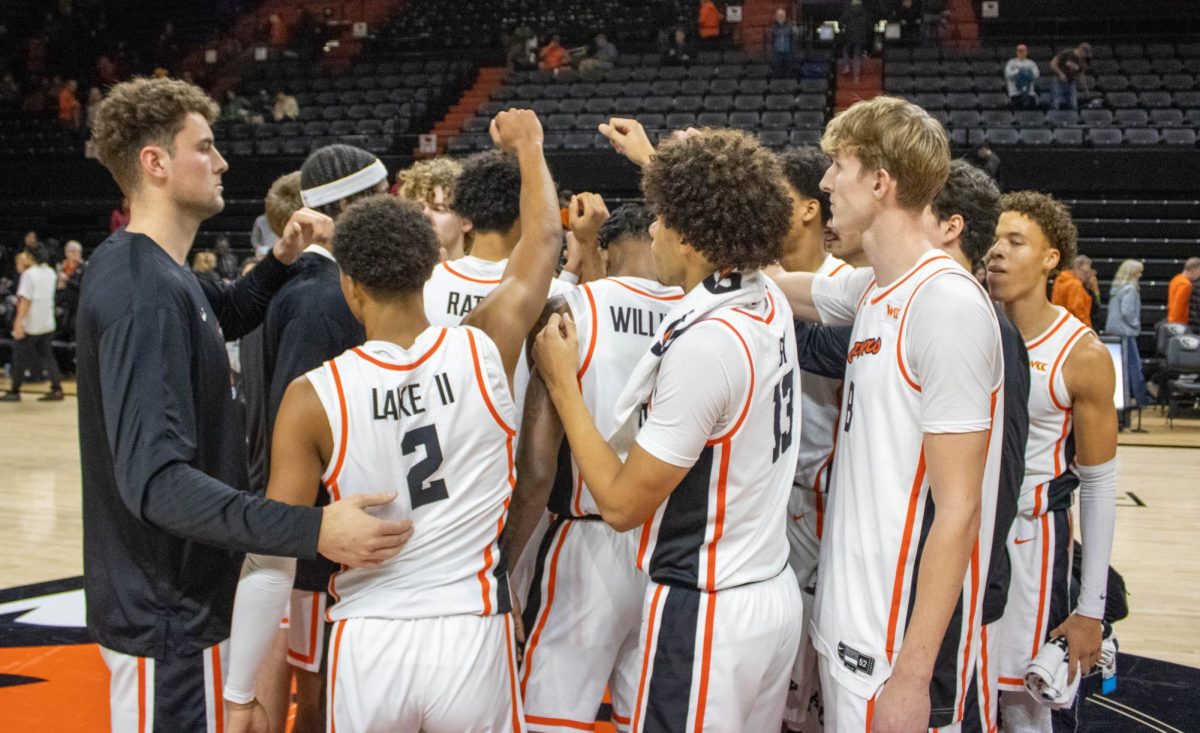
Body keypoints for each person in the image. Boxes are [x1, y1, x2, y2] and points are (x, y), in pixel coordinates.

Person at [81, 76, 410, 732]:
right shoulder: (144, 292)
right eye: (205, 147)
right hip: (166, 621)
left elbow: (224, 311)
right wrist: (312, 528)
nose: (223, 160)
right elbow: (159, 485)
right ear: (156, 162)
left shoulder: (157, 270)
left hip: (180, 607)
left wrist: (281, 257)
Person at [223, 108, 561, 733]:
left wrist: (241, 691)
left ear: (350, 287)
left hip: (370, 636)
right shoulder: (484, 346)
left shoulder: (312, 397)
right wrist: (529, 147)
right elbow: (542, 242)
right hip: (470, 630)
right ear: (431, 270)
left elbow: (271, 559)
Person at [540, 119, 803, 730]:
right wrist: (657, 163)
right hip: (766, 587)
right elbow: (720, 204)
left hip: (709, 606)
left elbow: (622, 505)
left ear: (692, 239)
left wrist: (562, 385)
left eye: (664, 219)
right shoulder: (765, 297)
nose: (652, 228)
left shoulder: (710, 345)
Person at [768, 96, 1004, 731]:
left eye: (837, 166)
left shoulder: (945, 304)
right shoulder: (874, 286)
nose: (823, 182)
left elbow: (959, 507)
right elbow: (784, 286)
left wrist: (913, 676)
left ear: (880, 181)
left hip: (898, 648)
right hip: (852, 625)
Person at [506, 201, 684, 732]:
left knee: (549, 719)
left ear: (602, 250)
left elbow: (538, 466)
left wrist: (504, 566)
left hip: (587, 546)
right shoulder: (698, 310)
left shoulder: (571, 308)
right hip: (672, 548)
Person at [248, 144, 386, 733]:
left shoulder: (304, 285)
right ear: (350, 204)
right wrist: (306, 531)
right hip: (318, 541)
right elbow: (295, 429)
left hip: (310, 535)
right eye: (380, 197)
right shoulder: (320, 297)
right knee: (323, 690)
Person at [985, 191, 1117, 732]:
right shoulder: (967, 322)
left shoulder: (1081, 354)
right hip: (967, 536)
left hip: (1034, 545)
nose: (996, 252)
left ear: (1050, 258)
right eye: (994, 240)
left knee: (1025, 711)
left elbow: (1100, 484)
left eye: (1015, 242)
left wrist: (1091, 609)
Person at [773, 146, 853, 733]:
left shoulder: (847, 284)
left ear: (806, 209)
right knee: (779, 676)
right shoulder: (762, 275)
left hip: (829, 499)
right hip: (771, 497)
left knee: (820, 672)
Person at [422, 150, 578, 428]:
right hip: (517, 453)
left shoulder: (425, 284)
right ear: (526, 212)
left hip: (441, 450)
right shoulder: (554, 294)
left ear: (466, 211)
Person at [1, 245, 63, 402]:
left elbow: (25, 300)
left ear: (32, 257)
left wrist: (18, 322)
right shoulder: (50, 272)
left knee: (20, 356)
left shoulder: (29, 274)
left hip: (32, 323)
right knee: (48, 356)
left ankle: (14, 389)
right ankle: (57, 388)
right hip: (47, 321)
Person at [395, 156, 472, 260]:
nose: (425, 216)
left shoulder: (489, 274)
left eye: (438, 209)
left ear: (466, 221)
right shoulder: (398, 274)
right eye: (419, 208)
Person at [1105, 259, 1152, 407]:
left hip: (1114, 329)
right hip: (1126, 331)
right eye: (1138, 271)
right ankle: (1141, 399)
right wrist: (1136, 324)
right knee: (1134, 365)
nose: (1140, 274)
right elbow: (1128, 311)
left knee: (1122, 366)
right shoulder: (1131, 289)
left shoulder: (1117, 288)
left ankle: (1128, 398)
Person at [1051, 254, 1097, 328]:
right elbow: (1077, 310)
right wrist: (1086, 328)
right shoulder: (1075, 285)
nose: (1086, 275)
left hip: (1060, 325)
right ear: (1077, 268)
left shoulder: (1060, 280)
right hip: (1073, 328)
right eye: (1085, 272)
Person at [1050, 43, 1090, 112]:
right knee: (1056, 103)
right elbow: (1053, 63)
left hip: (1071, 82)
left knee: (1073, 104)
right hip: (1059, 81)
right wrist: (1060, 74)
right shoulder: (1067, 53)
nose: (1085, 56)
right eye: (1085, 54)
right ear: (1081, 50)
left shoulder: (1083, 61)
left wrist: (1086, 90)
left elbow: (1081, 75)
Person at [840, 0, 873, 82]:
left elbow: (840, 22)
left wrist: (842, 28)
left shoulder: (848, 11)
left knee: (846, 50)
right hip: (861, 36)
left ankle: (847, 66)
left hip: (849, 35)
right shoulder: (865, 12)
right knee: (857, 55)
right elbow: (870, 26)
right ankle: (856, 77)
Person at [1167, 256, 1200, 327]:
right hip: (1180, 323)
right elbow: (1178, 308)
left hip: (1171, 319)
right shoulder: (1186, 284)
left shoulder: (1176, 279)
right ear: (1195, 270)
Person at [1006, 44, 1040, 109]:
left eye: (1023, 51)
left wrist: (1026, 73)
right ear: (1016, 52)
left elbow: (1036, 74)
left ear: (1026, 52)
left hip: (1029, 93)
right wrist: (1019, 72)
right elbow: (1008, 74)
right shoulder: (1011, 63)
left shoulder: (1031, 63)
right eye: (1019, 51)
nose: (1021, 52)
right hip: (1015, 93)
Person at [768, 8, 797, 77]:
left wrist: (793, 50)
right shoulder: (773, 27)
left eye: (782, 15)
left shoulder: (790, 27)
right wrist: (771, 51)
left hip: (788, 52)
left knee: (788, 71)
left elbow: (793, 39)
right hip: (777, 52)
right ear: (776, 17)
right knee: (777, 71)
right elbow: (771, 40)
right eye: (779, 15)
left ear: (785, 16)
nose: (780, 17)